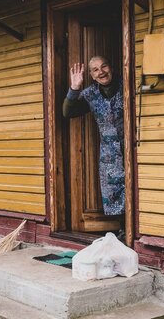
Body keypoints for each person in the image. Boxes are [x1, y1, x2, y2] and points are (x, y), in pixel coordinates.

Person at [63, 56, 125, 216]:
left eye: (104, 67)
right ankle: (122, 230)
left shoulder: (126, 85)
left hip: (132, 149)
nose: (101, 72)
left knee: (137, 190)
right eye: (96, 70)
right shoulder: (90, 94)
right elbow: (68, 112)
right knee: (114, 193)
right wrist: (74, 88)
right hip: (110, 155)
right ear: (91, 75)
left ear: (111, 68)